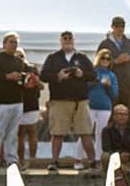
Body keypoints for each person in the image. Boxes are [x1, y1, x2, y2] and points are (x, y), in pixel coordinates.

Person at [40, 31, 97, 173]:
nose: (67, 40)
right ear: (60, 41)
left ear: (74, 40)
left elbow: (93, 75)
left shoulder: (82, 58)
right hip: (60, 100)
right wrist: (58, 76)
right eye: (65, 38)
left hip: (80, 101)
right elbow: (44, 75)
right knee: (57, 132)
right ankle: (54, 161)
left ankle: (92, 161)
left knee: (85, 132)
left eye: (70, 38)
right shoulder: (53, 58)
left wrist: (81, 74)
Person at [0, 32, 27, 171]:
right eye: (11, 42)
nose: (13, 45)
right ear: (4, 44)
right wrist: (7, 76)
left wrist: (24, 80)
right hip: (1, 102)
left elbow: (21, 80)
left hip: (16, 100)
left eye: (15, 42)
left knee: (12, 133)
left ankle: (11, 160)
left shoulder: (18, 61)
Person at [97, 16, 130, 112]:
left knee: (127, 114)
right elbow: (97, 64)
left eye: (122, 26)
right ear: (112, 27)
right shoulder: (105, 45)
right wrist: (116, 61)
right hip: (109, 87)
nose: (120, 29)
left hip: (127, 86)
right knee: (111, 115)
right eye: (117, 26)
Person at [89, 48, 119, 161]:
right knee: (86, 133)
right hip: (90, 106)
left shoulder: (112, 75)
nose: (105, 60)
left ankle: (98, 159)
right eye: (103, 58)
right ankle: (79, 158)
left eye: (108, 59)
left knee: (101, 134)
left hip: (105, 108)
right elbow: (84, 88)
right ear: (98, 58)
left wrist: (108, 86)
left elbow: (114, 94)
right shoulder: (92, 72)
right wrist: (94, 82)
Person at [14, 48, 43, 168]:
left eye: (21, 56)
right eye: (16, 56)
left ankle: (33, 159)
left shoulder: (32, 68)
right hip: (17, 103)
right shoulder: (11, 70)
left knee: (31, 131)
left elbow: (41, 86)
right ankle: (20, 161)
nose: (19, 58)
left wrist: (35, 82)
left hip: (31, 104)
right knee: (20, 133)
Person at [101, 103, 130, 174]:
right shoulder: (107, 130)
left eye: (125, 114)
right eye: (120, 114)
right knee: (105, 156)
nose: (122, 117)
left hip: (127, 159)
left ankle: (120, 169)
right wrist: (119, 155)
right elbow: (106, 148)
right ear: (114, 116)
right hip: (114, 158)